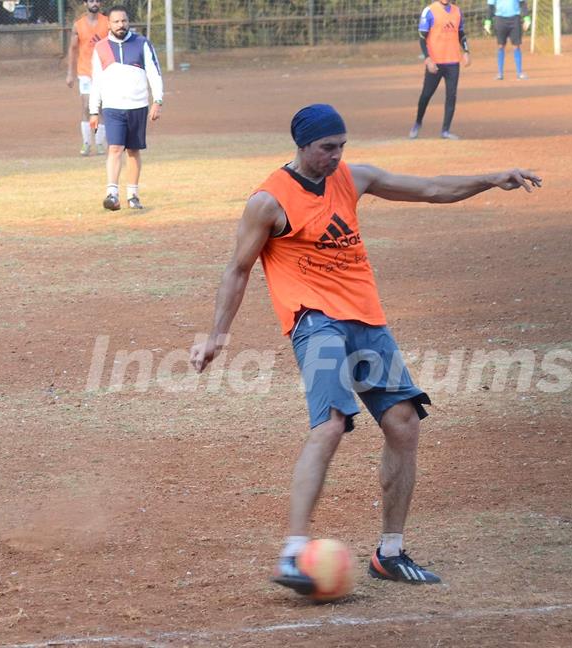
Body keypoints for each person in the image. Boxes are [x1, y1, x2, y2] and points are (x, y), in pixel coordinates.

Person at [190, 104, 541, 594]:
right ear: (302, 146)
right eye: (326, 148)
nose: (336, 157)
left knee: (404, 422)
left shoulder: (353, 178)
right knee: (332, 423)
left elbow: (433, 189)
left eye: (341, 146)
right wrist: (217, 335)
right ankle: (294, 553)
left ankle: (390, 552)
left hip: (365, 319)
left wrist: (491, 177)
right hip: (315, 322)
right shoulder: (269, 201)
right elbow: (238, 269)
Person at [88, 5, 163, 211]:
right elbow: (96, 81)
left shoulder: (142, 43)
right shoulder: (101, 48)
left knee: (133, 151)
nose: (121, 25)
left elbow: (154, 74)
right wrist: (94, 110)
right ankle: (112, 194)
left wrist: (158, 100)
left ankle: (132, 195)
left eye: (124, 21)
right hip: (112, 107)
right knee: (114, 148)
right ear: (109, 24)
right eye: (116, 21)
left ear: (128, 22)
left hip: (138, 106)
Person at [409, 0, 471, 141]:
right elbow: (422, 38)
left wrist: (466, 51)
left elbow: (461, 34)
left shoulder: (457, 11)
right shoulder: (429, 11)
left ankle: (445, 130)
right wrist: (428, 59)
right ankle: (417, 123)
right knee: (426, 95)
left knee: (451, 95)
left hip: (453, 62)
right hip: (435, 62)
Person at [65, 0, 109, 156]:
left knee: (101, 107)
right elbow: (72, 49)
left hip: (103, 72)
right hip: (84, 71)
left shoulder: (108, 23)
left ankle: (99, 143)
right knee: (86, 106)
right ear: (85, 4)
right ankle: (86, 143)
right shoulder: (78, 25)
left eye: (97, 1)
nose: (94, 3)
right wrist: (70, 73)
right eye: (91, 1)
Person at [484, 0, 531, 80]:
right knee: (500, 46)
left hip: (515, 19)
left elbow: (522, 3)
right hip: (500, 19)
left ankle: (519, 73)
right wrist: (487, 22)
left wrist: (527, 18)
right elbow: (490, 7)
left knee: (516, 46)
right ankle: (500, 74)